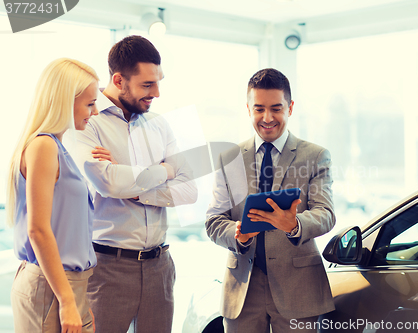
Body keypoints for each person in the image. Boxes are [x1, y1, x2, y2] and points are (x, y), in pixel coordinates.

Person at [71, 35, 197, 333]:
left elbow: (189, 189)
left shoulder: (159, 124)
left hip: (160, 267)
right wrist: (165, 170)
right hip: (108, 268)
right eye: (147, 85)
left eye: (158, 82)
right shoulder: (87, 121)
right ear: (118, 79)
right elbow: (110, 184)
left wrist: (138, 190)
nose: (157, 93)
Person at [206, 68, 336, 332]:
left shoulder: (316, 155)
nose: (267, 118)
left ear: (290, 107)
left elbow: (325, 213)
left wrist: (294, 224)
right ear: (248, 108)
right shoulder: (229, 158)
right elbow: (214, 220)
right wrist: (237, 234)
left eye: (276, 108)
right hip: (242, 288)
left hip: (299, 289)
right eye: (259, 109)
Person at [6, 58, 100, 333]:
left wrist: (76, 299)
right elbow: (37, 230)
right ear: (64, 101)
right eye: (89, 103)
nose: (94, 112)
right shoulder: (44, 146)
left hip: (64, 285)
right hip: (53, 287)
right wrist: (67, 300)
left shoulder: (56, 146)